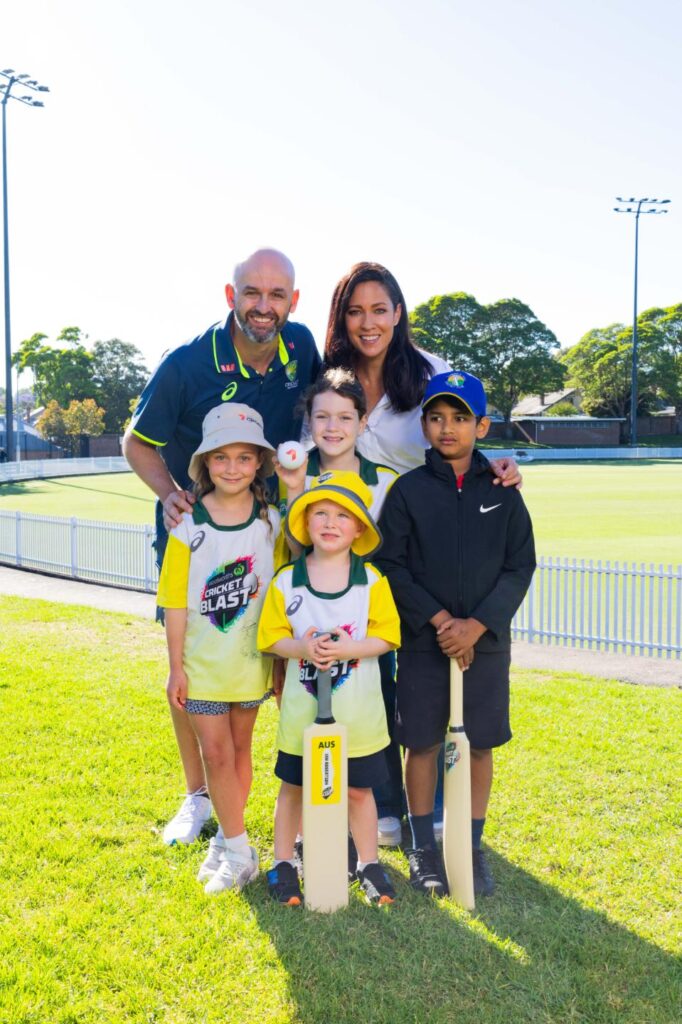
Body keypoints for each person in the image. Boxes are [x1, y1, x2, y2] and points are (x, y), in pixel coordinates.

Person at [123, 249, 321, 846]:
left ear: (293, 300)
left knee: (258, 658)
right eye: (252, 293)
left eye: (277, 294)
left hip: (265, 537)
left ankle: (244, 788)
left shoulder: (303, 347)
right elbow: (138, 443)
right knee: (189, 669)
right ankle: (198, 797)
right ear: (231, 296)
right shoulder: (187, 363)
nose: (265, 306)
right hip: (198, 537)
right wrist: (172, 495)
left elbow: (338, 404)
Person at [323, 261, 524, 844]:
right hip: (351, 550)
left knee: (423, 680)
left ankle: (435, 819)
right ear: (342, 317)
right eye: (355, 310)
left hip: (424, 552)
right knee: (367, 678)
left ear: (398, 313)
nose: (368, 322)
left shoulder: (432, 370)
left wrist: (499, 467)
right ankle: (383, 807)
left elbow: (462, 429)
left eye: (379, 309)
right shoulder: (331, 375)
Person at [376, 371, 535, 897]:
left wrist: (478, 624)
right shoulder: (408, 491)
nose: (448, 428)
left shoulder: (503, 492)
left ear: (482, 425)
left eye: (461, 418)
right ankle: (424, 848)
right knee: (421, 744)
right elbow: (392, 564)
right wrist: (442, 621)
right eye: (437, 418)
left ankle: (470, 846)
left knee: (482, 746)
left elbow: (520, 566)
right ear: (423, 425)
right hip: (426, 644)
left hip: (485, 646)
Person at [257, 471, 401, 906]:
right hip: (303, 715)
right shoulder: (287, 580)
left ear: (359, 528)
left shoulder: (372, 581)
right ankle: (284, 863)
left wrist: (346, 649)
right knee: (295, 788)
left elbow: (388, 636)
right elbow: (270, 637)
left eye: (343, 515)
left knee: (359, 790)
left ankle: (368, 864)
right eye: (320, 512)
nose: (331, 522)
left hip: (359, 715)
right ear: (305, 523)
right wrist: (302, 646)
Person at [157, 403, 284, 893]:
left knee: (239, 749)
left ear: (259, 464)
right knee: (214, 752)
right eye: (221, 457)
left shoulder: (271, 524)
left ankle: (229, 841)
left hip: (249, 664)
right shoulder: (188, 525)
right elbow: (173, 602)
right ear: (205, 464)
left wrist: (275, 661)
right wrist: (175, 668)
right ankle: (238, 850)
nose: (232, 467)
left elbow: (276, 598)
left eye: (244, 457)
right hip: (201, 664)